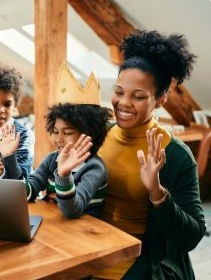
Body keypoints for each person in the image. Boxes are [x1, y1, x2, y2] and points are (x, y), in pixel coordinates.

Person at [94, 30, 206, 279]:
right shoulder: (97, 135)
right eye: (119, 91)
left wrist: (158, 194)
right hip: (88, 254)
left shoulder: (176, 155)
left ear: (161, 100)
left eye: (138, 96)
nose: (123, 103)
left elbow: (191, 237)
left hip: (139, 266)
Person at [25, 103, 112, 218]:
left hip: (81, 230)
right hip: (53, 222)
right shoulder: (52, 159)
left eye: (67, 133)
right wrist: (8, 159)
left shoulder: (95, 168)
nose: (59, 139)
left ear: (89, 136)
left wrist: (63, 175)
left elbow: (71, 211)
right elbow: (30, 191)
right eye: (56, 131)